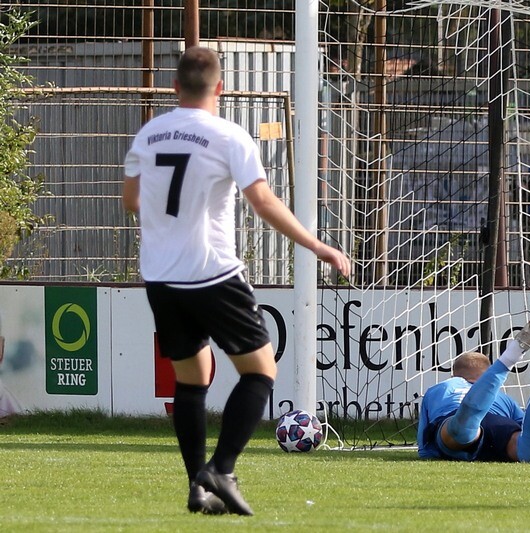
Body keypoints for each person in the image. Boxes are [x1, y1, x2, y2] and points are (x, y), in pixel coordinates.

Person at [122, 46, 350, 516]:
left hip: (161, 278)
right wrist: (319, 246)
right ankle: (221, 469)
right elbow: (263, 203)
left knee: (191, 381)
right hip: (212, 273)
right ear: (220, 88)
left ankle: (197, 486)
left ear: (175, 87)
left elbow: (131, 201)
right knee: (261, 371)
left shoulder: (149, 134)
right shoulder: (228, 136)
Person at [417, 314, 530, 462]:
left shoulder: (443, 386)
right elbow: (526, 426)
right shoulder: (504, 398)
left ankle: (511, 356)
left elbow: (423, 441)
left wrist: (428, 452)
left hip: (456, 420)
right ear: (487, 375)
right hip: (498, 423)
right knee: (529, 450)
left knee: (461, 430)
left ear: (454, 374)